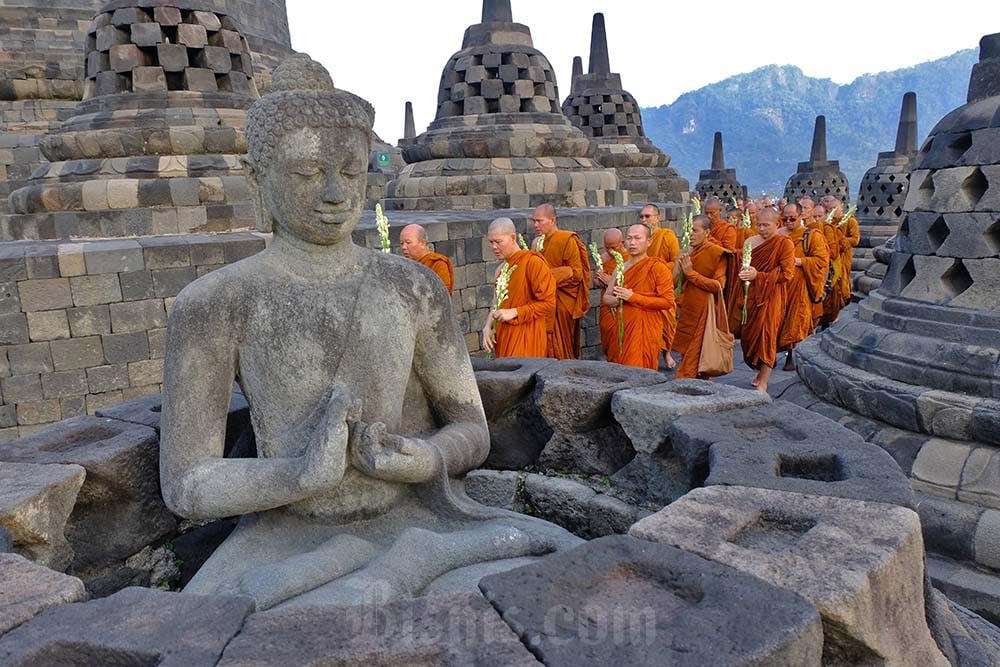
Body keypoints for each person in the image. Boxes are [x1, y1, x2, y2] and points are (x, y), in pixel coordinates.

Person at [159, 64, 578, 611]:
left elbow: (471, 430)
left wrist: (424, 460)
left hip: (423, 518)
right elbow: (188, 484)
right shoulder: (214, 303)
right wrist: (301, 475)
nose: (335, 194)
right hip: (287, 536)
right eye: (308, 173)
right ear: (258, 177)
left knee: (549, 594)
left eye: (352, 173)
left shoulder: (411, 286)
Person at [737, 207, 795, 393]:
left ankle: (764, 380)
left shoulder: (784, 244)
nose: (761, 229)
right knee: (748, 337)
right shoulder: (750, 242)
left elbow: (787, 273)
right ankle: (759, 371)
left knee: (767, 336)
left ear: (777, 224)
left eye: (766, 225)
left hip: (772, 297)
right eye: (759, 225)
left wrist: (759, 276)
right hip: (752, 296)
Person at [602, 224, 675, 370]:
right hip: (622, 329)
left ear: (649, 242)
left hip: (644, 331)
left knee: (640, 372)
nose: (632, 242)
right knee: (620, 370)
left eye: (637, 238)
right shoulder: (620, 267)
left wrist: (633, 297)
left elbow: (667, 302)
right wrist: (617, 300)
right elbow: (606, 298)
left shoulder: (657, 267)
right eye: (629, 238)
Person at [481, 218, 556, 359]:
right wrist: (487, 326)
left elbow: (549, 303)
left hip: (528, 335)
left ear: (513, 237)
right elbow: (495, 305)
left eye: (498, 241)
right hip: (503, 336)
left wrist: (515, 312)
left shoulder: (533, 263)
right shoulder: (500, 269)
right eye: (491, 242)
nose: (494, 247)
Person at [672, 215, 729, 379]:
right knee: (688, 354)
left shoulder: (716, 253)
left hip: (705, 312)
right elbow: (672, 283)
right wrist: (679, 266)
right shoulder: (687, 253)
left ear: (707, 232)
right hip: (687, 310)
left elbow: (718, 286)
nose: (690, 234)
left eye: (695, 230)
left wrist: (691, 274)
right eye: (688, 230)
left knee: (696, 359)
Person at [532, 204, 590, 359]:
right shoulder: (537, 243)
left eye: (539, 221)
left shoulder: (567, 239)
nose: (535, 225)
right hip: (543, 301)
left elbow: (577, 273)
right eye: (534, 221)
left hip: (563, 302)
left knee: (562, 347)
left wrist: (546, 277)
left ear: (552, 220)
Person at [776, 204, 830, 371]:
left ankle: (792, 355)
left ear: (801, 216)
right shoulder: (777, 234)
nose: (788, 222)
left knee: (796, 321)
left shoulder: (811, 236)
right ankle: (769, 355)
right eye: (785, 219)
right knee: (775, 320)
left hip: (800, 287)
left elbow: (821, 260)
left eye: (792, 218)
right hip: (779, 285)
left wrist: (800, 261)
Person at [639, 204, 680, 369]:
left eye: (648, 216)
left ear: (658, 217)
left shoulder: (667, 236)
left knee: (667, 322)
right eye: (641, 217)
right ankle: (650, 354)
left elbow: (675, 260)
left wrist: (658, 270)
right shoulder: (640, 237)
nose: (644, 220)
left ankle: (667, 353)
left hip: (662, 285)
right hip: (645, 287)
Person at [820, 195, 859, 325]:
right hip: (830, 257)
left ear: (841, 206)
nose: (831, 210)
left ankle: (837, 312)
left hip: (842, 257)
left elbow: (855, 239)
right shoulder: (827, 222)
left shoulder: (849, 221)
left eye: (834, 208)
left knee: (840, 286)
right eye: (829, 208)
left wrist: (838, 241)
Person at [594, 228, 626, 363]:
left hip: (622, 306)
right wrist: (601, 282)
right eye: (607, 247)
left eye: (613, 247)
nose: (610, 251)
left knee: (621, 338)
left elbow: (634, 285)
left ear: (622, 242)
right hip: (606, 305)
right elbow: (595, 281)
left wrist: (611, 282)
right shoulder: (603, 257)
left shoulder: (630, 257)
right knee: (607, 335)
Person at [399, 223, 454, 294]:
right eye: (401, 243)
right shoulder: (404, 265)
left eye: (408, 242)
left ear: (422, 243)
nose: (404, 247)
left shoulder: (437, 263)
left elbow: (442, 294)